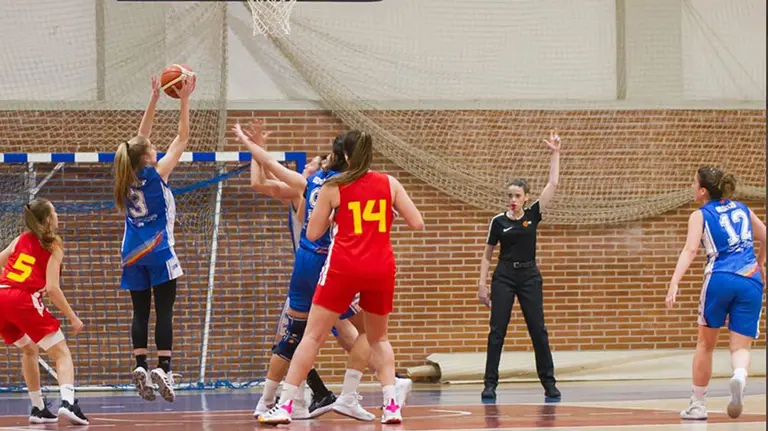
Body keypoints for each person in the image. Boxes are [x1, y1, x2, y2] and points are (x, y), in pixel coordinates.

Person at [238, 124, 412, 420]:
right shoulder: (348, 185)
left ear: (336, 156)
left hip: (320, 264)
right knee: (361, 334)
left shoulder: (311, 185)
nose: (312, 164)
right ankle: (375, 387)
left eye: (317, 160)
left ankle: (281, 401)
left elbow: (262, 175)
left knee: (302, 336)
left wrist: (250, 145)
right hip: (338, 264)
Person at [113, 74, 195, 403]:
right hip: (159, 250)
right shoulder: (157, 173)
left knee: (139, 313)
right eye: (152, 149)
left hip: (131, 252)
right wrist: (184, 98)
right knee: (164, 312)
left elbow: (137, 140)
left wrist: (153, 100)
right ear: (148, 158)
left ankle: (139, 363)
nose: (157, 149)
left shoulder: (124, 174)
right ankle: (164, 366)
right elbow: (183, 136)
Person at [665, 166, 766, 420]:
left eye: (693, 182)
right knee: (740, 346)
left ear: (702, 190)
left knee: (705, 344)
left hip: (719, 278)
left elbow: (689, 251)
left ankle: (697, 405)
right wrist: (761, 263)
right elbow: (766, 235)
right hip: (750, 279)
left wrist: (674, 282)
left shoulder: (700, 215)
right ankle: (739, 377)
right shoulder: (742, 208)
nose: (691, 186)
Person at [478, 129, 562, 401]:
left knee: (538, 329)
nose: (513, 200)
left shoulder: (534, 215)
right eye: (510, 195)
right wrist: (482, 284)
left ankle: (549, 384)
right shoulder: (498, 222)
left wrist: (555, 154)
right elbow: (488, 254)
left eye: (517, 195)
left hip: (529, 276)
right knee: (497, 331)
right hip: (503, 276)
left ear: (526, 197)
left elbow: (553, 185)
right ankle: (490, 384)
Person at [0, 199, 89, 425]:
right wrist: (73, 317)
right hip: (22, 299)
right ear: (48, 219)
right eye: (55, 211)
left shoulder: (20, 239)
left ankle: (38, 408)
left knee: (29, 350)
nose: (58, 215)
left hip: (2, 295)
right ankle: (68, 403)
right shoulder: (53, 246)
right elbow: (52, 288)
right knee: (62, 352)